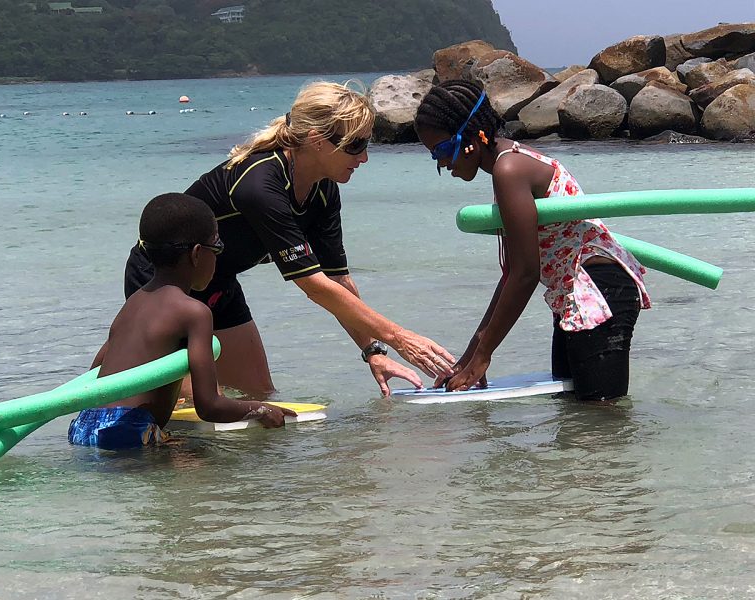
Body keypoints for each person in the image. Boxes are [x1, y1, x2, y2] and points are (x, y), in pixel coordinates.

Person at [125, 81, 454, 397]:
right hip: (162, 281)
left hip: (218, 282)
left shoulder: (324, 190)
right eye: (355, 145)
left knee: (260, 397)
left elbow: (338, 282)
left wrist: (374, 350)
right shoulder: (260, 184)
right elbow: (313, 286)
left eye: (366, 144)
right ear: (316, 140)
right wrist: (401, 338)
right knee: (195, 405)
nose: (364, 157)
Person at [413, 79, 651, 401]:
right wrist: (470, 356)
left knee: (601, 419)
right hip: (573, 294)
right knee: (574, 411)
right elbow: (513, 272)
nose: (442, 164)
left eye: (443, 150)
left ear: (472, 135)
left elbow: (526, 274)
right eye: (434, 157)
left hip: (598, 289)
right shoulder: (507, 164)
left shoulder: (508, 169)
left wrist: (484, 356)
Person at [68, 193, 295, 449]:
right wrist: (262, 410)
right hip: (130, 430)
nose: (219, 257)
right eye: (217, 247)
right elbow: (210, 406)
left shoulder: (133, 304)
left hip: (83, 426)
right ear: (197, 254)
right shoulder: (194, 312)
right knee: (209, 462)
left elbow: (95, 374)